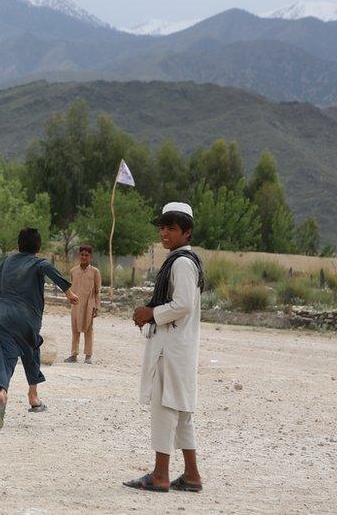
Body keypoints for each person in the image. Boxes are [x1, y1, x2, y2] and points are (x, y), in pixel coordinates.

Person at [124, 202, 205, 493]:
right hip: (179, 348)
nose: (165, 233)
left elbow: (183, 304)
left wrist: (152, 313)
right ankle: (192, 475)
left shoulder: (182, 263)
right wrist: (150, 309)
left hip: (171, 349)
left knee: (164, 409)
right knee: (182, 413)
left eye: (172, 228)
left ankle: (160, 475)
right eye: (162, 227)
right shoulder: (182, 260)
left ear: (187, 232)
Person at [0, 228, 79, 429]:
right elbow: (51, 271)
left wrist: (0, 292)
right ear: (38, 247)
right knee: (31, 350)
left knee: (2, 356)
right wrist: (69, 292)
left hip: (4, 318)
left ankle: (2, 392)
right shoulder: (38, 262)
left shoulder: (7, 262)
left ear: (18, 245)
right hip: (28, 320)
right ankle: (33, 396)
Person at [65, 245, 102, 364]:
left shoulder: (95, 272)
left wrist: (97, 306)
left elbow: (97, 290)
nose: (84, 257)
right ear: (79, 255)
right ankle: (74, 354)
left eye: (87, 255)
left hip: (89, 304)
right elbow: (70, 288)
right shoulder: (73, 271)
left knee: (88, 329)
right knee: (75, 329)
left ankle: (88, 355)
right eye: (82, 254)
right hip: (76, 304)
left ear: (90, 257)